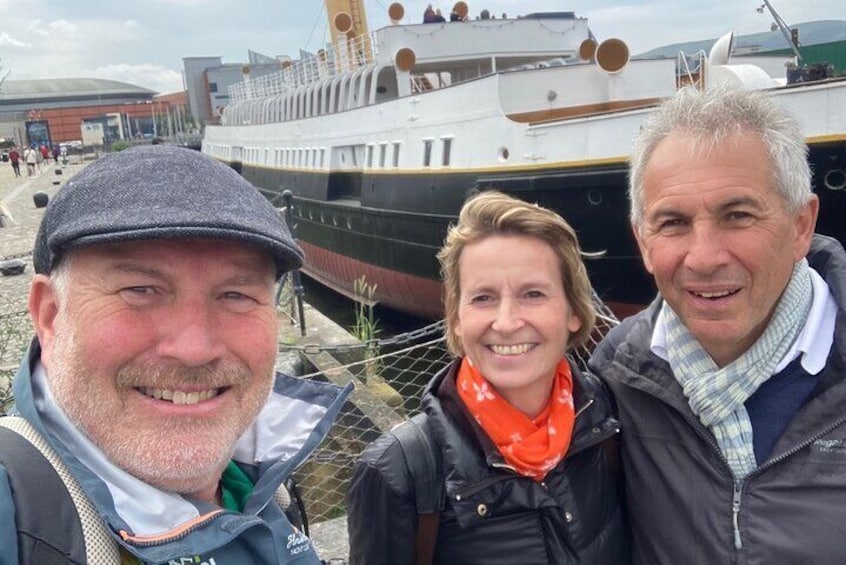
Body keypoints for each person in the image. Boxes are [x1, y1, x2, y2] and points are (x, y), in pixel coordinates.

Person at [0, 145, 352, 564]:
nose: (194, 350)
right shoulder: (15, 509)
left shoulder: (259, 476)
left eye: (236, 294)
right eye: (140, 290)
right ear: (50, 314)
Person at [589, 84, 846, 564]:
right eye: (673, 223)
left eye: (738, 215)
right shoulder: (620, 376)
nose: (704, 258)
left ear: (800, 225)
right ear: (643, 242)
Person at [347, 191, 629, 564]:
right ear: (457, 319)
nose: (507, 322)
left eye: (533, 294)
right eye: (483, 298)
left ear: (574, 312)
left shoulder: (606, 421)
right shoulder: (400, 470)